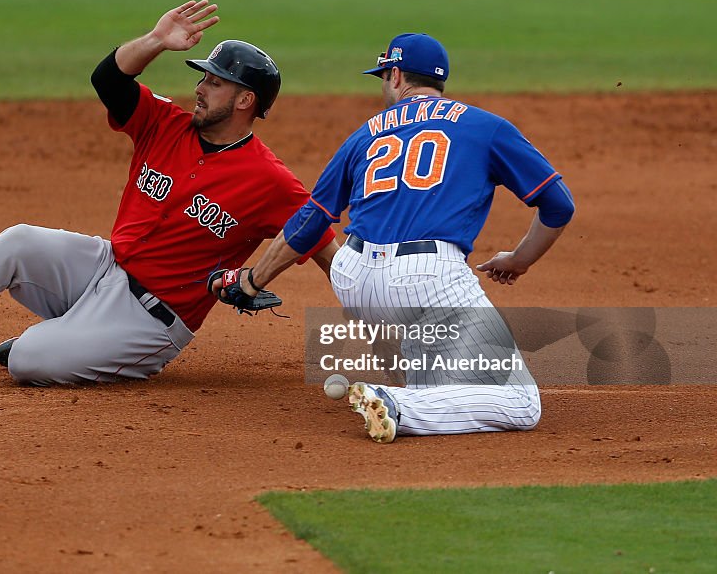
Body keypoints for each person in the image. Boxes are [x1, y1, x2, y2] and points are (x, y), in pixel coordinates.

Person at [0, 0, 337, 386]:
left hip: (151, 320)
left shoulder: (268, 180)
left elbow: (323, 244)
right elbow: (109, 78)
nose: (200, 87)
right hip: (102, 267)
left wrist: (387, 311)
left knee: (26, 360)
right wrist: (157, 40)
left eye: (216, 83)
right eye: (203, 77)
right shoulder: (166, 124)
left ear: (246, 100)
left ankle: (64, 345)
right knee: (19, 241)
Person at [212, 32, 574, 442]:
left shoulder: (364, 134)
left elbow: (312, 219)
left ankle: (414, 395)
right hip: (425, 280)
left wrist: (252, 280)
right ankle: (397, 402)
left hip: (353, 277)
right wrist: (518, 260)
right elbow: (558, 205)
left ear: (397, 75)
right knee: (521, 404)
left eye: (383, 76)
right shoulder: (484, 126)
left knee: (438, 377)